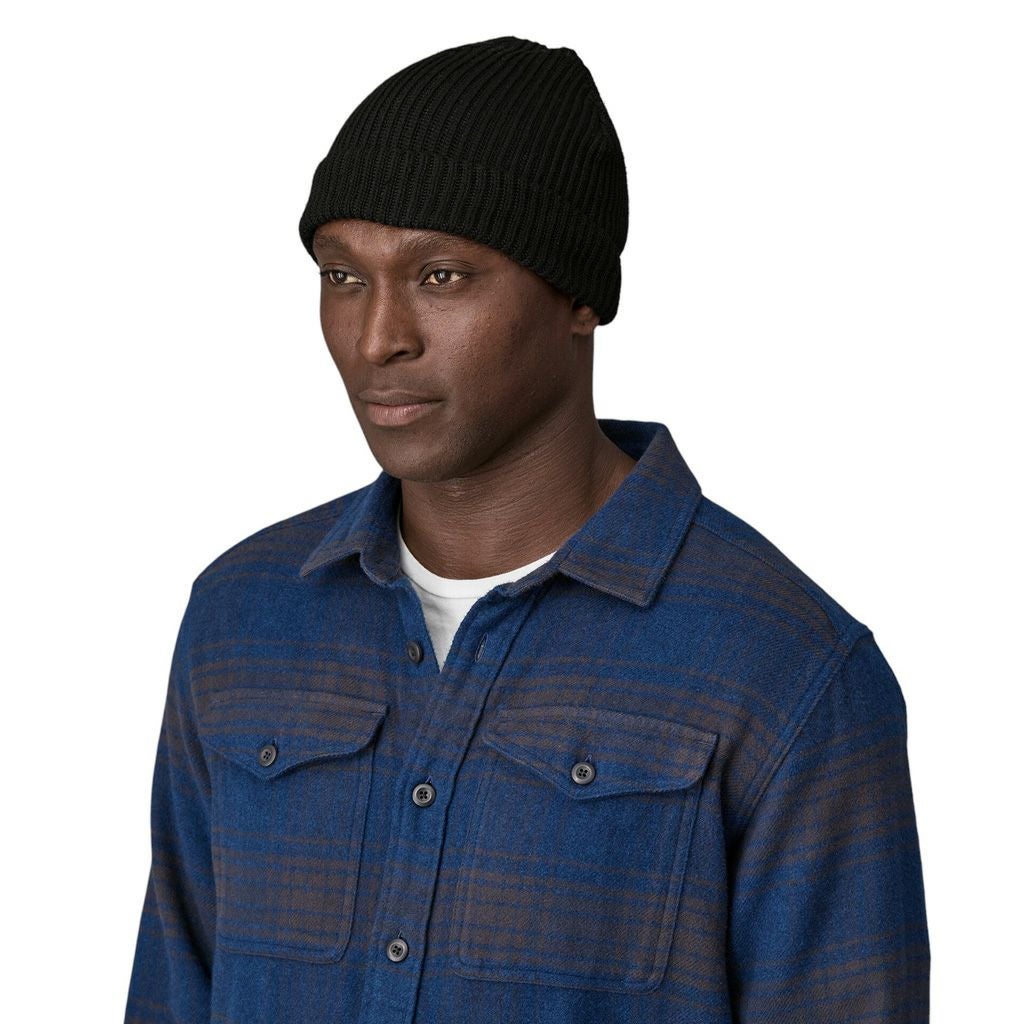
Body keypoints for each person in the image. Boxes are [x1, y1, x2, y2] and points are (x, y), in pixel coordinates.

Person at [124, 34, 930, 1024]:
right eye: (342, 276)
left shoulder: (787, 670)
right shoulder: (240, 618)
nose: (378, 338)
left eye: (441, 277)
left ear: (577, 296)